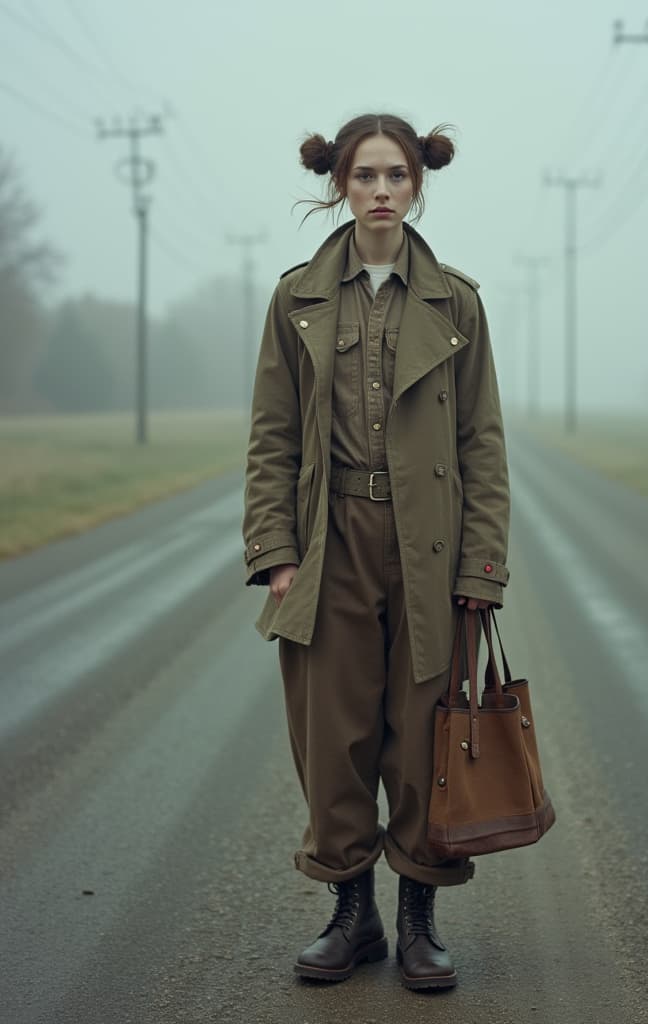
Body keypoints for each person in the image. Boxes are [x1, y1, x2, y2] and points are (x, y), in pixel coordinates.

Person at [242, 113, 510, 990]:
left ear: (419, 184)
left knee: (422, 741)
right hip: (330, 548)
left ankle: (419, 921)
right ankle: (349, 917)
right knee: (335, 740)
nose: (382, 191)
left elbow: (482, 445)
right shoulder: (297, 300)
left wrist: (480, 568)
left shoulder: (457, 302)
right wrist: (276, 551)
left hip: (428, 548)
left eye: (397, 175)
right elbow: (271, 436)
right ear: (340, 187)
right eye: (365, 176)